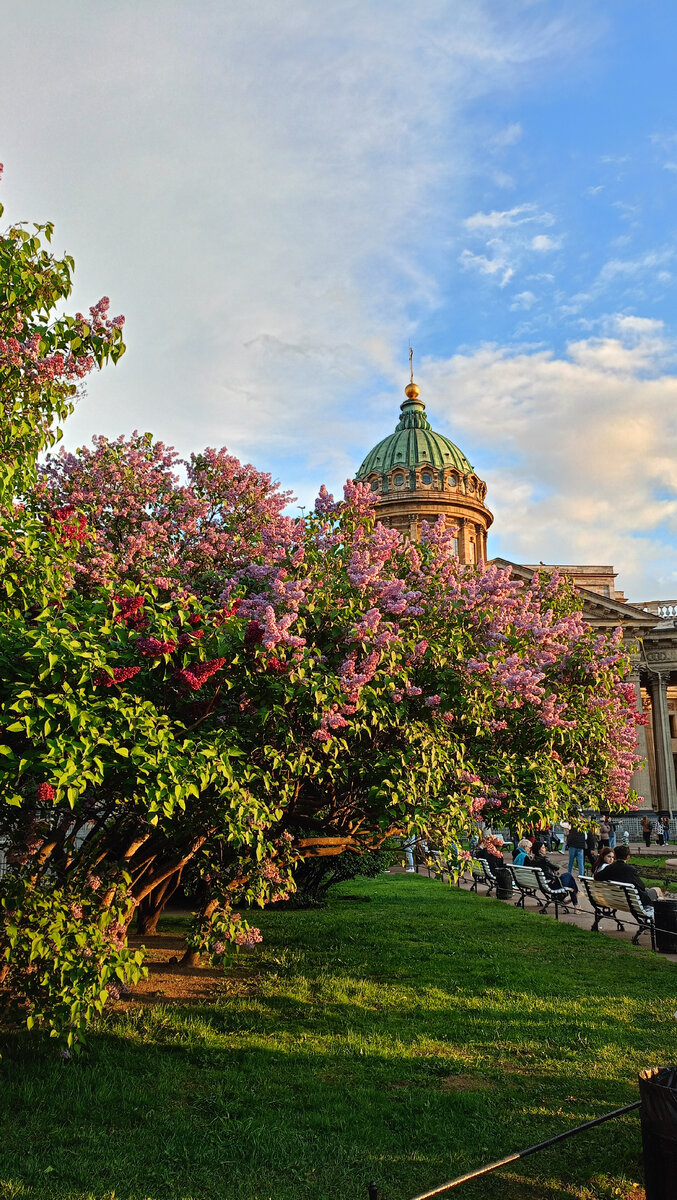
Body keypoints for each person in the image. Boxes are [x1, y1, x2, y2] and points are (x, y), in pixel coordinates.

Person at [596, 844, 663, 907]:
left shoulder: (609, 868)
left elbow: (597, 877)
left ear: (615, 856)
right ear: (628, 857)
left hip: (616, 899)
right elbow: (642, 886)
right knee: (658, 890)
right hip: (635, 901)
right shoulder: (631, 870)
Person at [531, 841, 579, 908]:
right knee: (569, 876)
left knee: (569, 879)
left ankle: (572, 899)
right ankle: (576, 901)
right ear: (539, 850)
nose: (545, 849)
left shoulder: (533, 860)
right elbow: (557, 867)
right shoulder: (545, 859)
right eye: (543, 848)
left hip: (542, 884)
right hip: (552, 885)